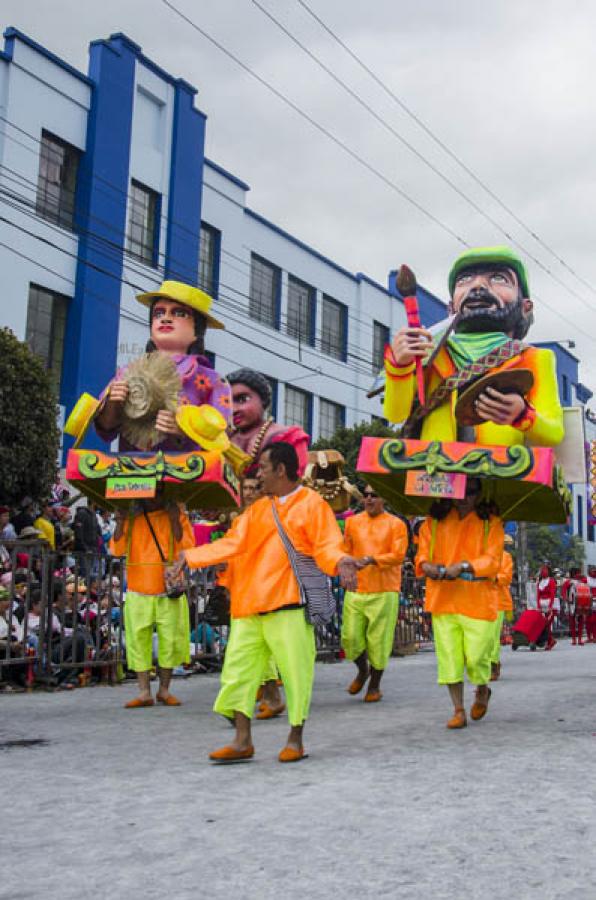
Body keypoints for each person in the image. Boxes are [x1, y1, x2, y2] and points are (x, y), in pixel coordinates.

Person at [169, 442, 358, 763]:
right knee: (237, 675)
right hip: (248, 608)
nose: (260, 476)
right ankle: (243, 740)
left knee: (296, 676)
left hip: (288, 605)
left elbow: (327, 545)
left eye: (264, 469)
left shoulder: (311, 504)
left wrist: (341, 562)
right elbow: (232, 543)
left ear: (281, 470)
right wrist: (191, 556)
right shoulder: (256, 510)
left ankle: (295, 738)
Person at [384, 246, 564, 447]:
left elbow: (554, 433)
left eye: (498, 278)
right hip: (435, 471)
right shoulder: (431, 351)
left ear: (525, 306)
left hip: (504, 472)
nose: (477, 286)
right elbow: (396, 414)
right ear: (451, 307)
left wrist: (522, 415)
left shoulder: (535, 358)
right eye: (464, 280)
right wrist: (399, 365)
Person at [94, 280, 232, 452]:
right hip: (132, 471)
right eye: (158, 314)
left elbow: (223, 438)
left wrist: (184, 431)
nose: (166, 318)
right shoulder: (128, 373)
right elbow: (106, 429)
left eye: (179, 313)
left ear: (198, 330)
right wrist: (113, 404)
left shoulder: (213, 381)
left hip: (188, 473)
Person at [416, 479, 504, 729]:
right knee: (449, 659)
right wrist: (427, 566)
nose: (464, 497)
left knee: (477, 658)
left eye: (471, 491)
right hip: (443, 599)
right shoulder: (434, 520)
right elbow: (422, 553)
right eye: (459, 490)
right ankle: (458, 709)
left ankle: (482, 690)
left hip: (478, 599)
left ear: (480, 493)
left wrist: (464, 566)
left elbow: (493, 560)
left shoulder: (491, 522)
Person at [110, 494, 195, 708]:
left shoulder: (177, 515)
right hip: (138, 588)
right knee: (138, 640)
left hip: (168, 590)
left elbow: (186, 546)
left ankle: (164, 690)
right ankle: (144, 691)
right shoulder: (131, 517)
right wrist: (119, 522)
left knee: (170, 639)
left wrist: (175, 520)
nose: (153, 497)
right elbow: (116, 549)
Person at [341, 485, 408, 702]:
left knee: (379, 641)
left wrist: (372, 559)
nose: (369, 499)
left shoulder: (396, 524)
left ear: (384, 499)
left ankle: (375, 685)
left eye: (374, 495)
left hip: (385, 589)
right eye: (366, 495)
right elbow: (345, 551)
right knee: (349, 638)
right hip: (357, 588)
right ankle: (363, 670)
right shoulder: (352, 522)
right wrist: (346, 568)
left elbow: (398, 555)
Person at [227, 368, 309, 475]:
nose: (233, 409)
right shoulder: (222, 441)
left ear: (263, 400)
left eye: (242, 399)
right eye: (227, 402)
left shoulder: (290, 437)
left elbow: (294, 480)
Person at [490, 549, 514, 681]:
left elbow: (506, 577)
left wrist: (492, 577)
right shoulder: (477, 553)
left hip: (498, 601)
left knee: (493, 635)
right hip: (478, 601)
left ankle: (493, 664)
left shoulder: (505, 556)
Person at [536, 563, 557, 651]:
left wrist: (550, 606)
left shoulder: (551, 581)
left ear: (548, 571)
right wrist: (538, 606)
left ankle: (550, 642)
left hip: (549, 605)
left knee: (547, 624)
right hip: (541, 606)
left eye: (545, 570)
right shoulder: (539, 582)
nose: (543, 571)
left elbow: (552, 594)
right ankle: (550, 640)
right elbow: (538, 595)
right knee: (543, 625)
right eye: (542, 570)